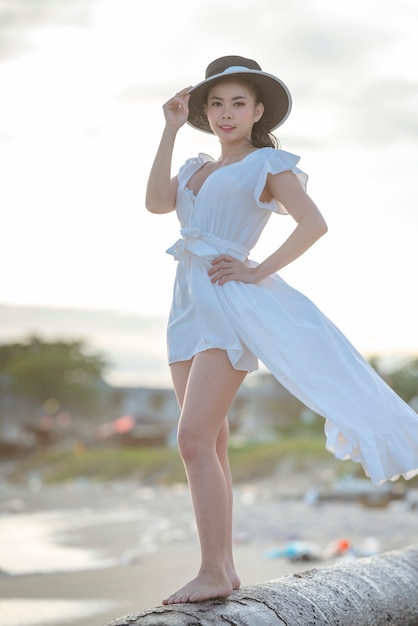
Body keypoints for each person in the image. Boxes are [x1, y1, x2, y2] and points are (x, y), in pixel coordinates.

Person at [145, 55, 418, 605]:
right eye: (216, 104)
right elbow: (156, 204)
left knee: (192, 438)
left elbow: (315, 224)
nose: (226, 114)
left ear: (258, 110)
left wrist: (255, 269)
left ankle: (212, 570)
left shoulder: (267, 163)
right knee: (211, 441)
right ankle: (221, 568)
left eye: (237, 103)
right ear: (203, 111)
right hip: (184, 304)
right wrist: (169, 130)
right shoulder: (194, 166)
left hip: (229, 300)